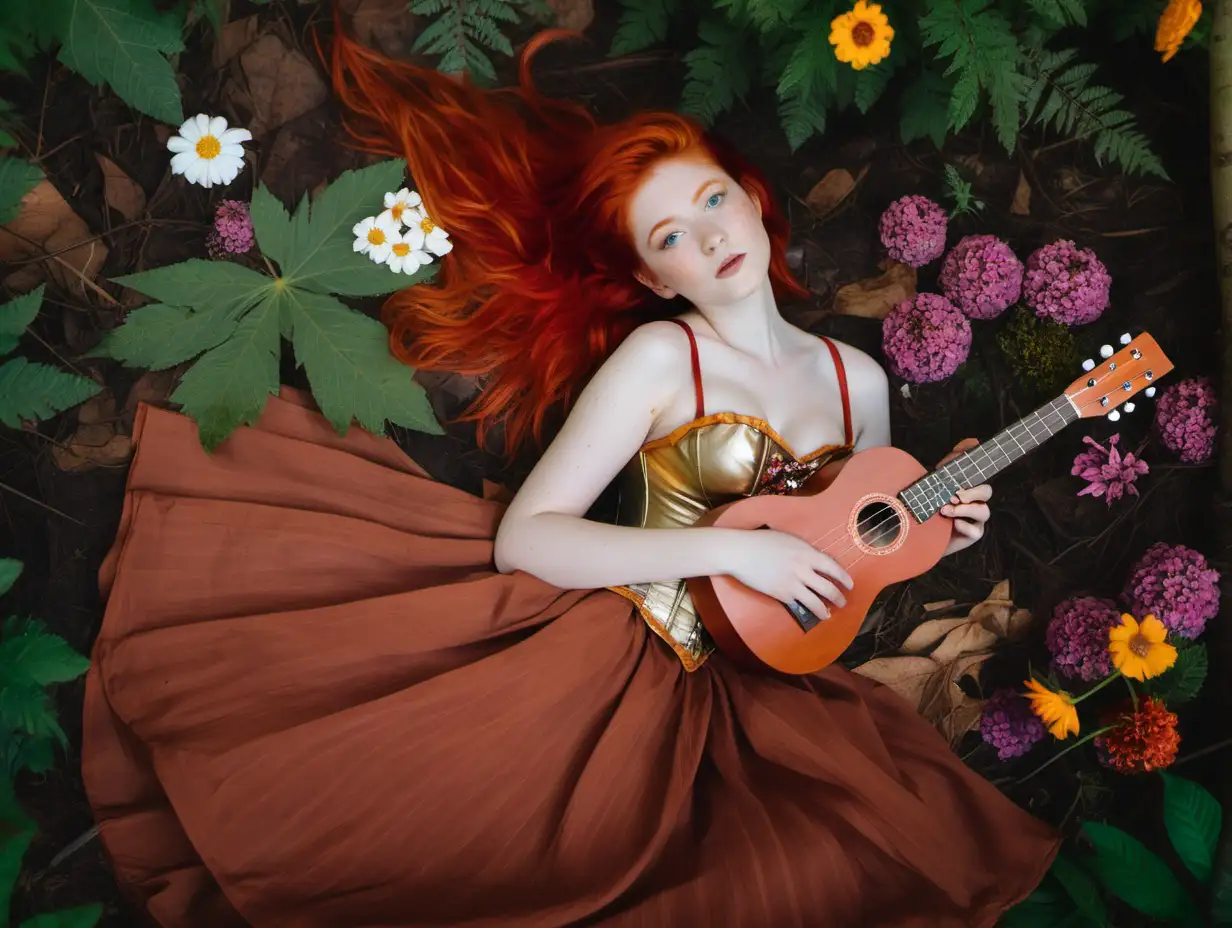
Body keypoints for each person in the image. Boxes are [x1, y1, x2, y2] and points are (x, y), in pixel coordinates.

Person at [80, 22, 1060, 928]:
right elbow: (530, 536)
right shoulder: (659, 360)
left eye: (712, 199)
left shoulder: (858, 378)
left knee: (816, 864)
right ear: (651, 279)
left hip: (756, 679)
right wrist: (730, 549)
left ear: (751, 201)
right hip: (613, 632)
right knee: (486, 838)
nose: (710, 236)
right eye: (670, 234)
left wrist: (939, 530)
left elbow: (850, 554)